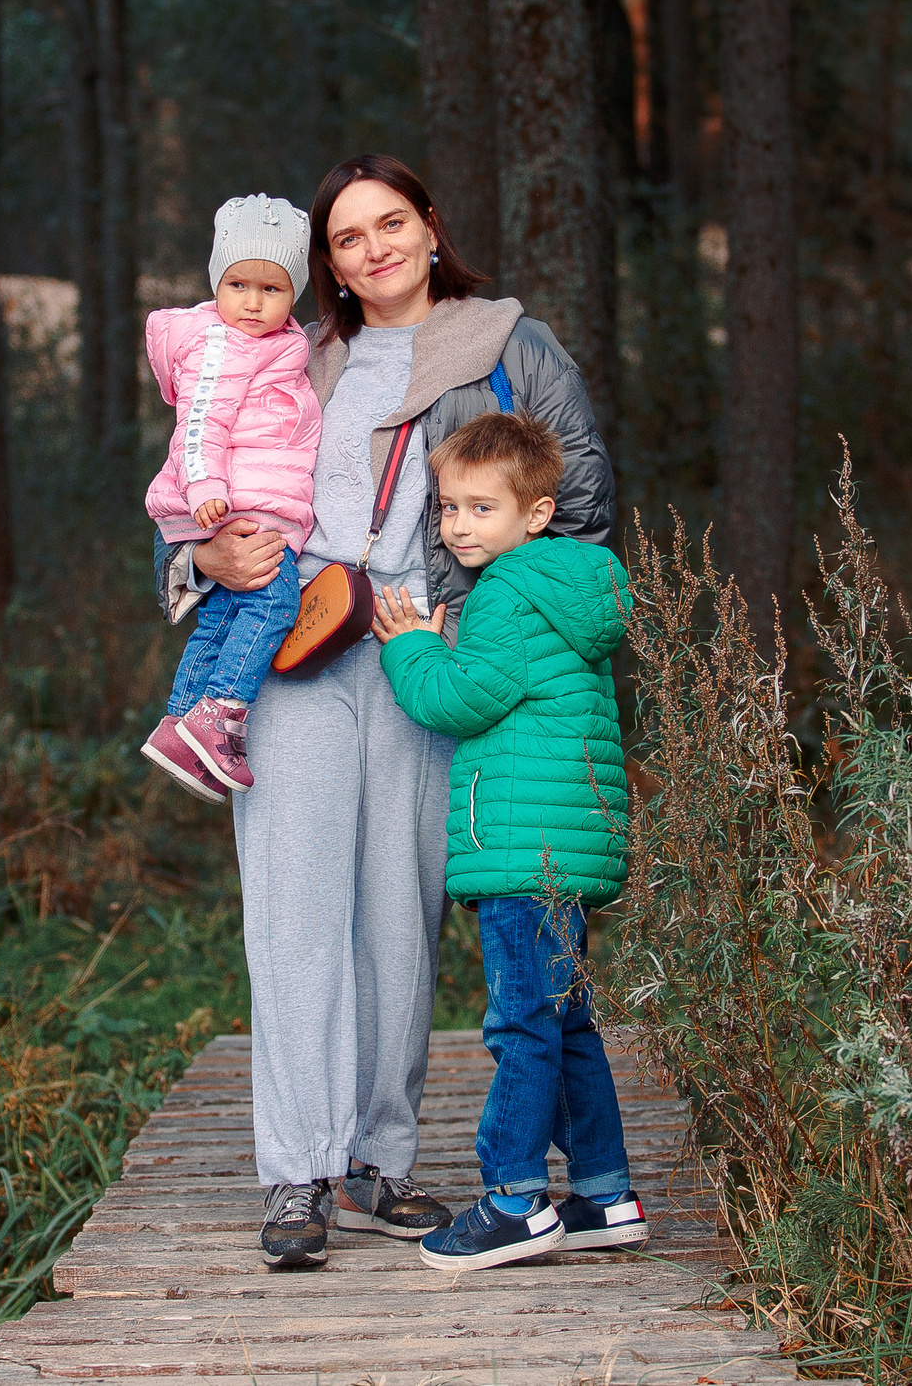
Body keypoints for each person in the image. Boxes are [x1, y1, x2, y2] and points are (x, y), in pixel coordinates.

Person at [159, 152, 614, 1270]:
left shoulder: (512, 346)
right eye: (348, 237)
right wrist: (203, 552)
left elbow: (583, 510)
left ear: (430, 225)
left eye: (391, 222)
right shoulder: (289, 354)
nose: (374, 248)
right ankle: (296, 1174)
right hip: (297, 652)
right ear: (329, 265)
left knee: (398, 918)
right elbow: (192, 480)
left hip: (432, 661)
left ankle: (378, 1161)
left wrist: (484, 632)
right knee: (295, 916)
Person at [371, 412, 648, 1271]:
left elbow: (463, 698)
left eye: (481, 508)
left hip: (521, 850)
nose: (458, 525)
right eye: (450, 507)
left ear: (535, 513)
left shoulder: (504, 593)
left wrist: (410, 647)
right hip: (568, 845)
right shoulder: (577, 586)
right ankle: (605, 1193)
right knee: (566, 1024)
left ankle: (515, 1198)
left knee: (520, 1023)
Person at [140, 196, 323, 801]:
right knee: (274, 604)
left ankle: (179, 721)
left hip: (239, 501)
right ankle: (221, 714)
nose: (252, 301)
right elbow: (200, 425)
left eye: (271, 289)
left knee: (221, 620)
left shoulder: (276, 342)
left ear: (293, 294)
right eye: (237, 284)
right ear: (215, 282)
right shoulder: (223, 346)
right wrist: (207, 491)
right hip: (227, 505)